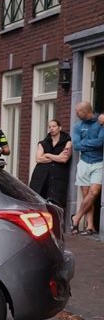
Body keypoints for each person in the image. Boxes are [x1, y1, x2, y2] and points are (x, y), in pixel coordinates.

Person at [71, 101, 104, 235]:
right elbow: (76, 145)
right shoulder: (77, 126)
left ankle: (76, 217)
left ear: (85, 112)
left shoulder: (100, 122)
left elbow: (101, 142)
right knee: (86, 195)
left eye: (78, 112)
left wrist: (84, 143)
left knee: (94, 193)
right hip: (84, 162)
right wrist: (91, 143)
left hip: (98, 162)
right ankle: (90, 226)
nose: (76, 114)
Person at [29, 118, 72, 214]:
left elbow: (64, 159)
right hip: (42, 177)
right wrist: (57, 157)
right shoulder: (42, 143)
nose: (51, 128)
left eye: (54, 126)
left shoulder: (67, 142)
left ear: (59, 128)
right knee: (39, 203)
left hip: (58, 177)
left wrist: (48, 155)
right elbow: (39, 159)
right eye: (49, 127)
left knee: (56, 204)